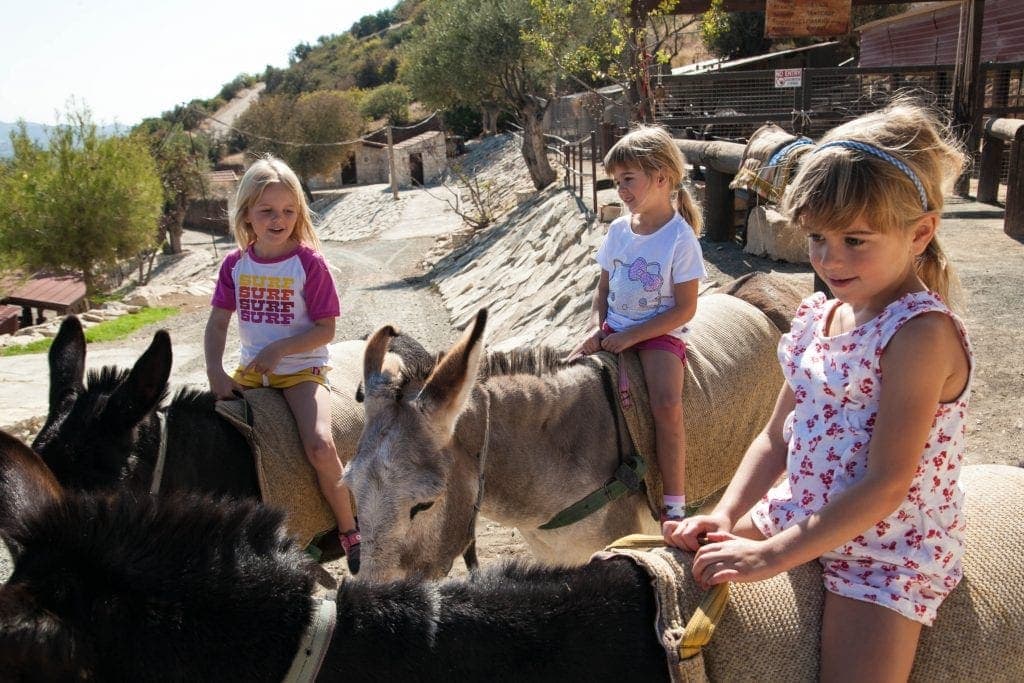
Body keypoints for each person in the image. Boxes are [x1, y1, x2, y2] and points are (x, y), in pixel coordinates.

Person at [665, 100, 973, 680]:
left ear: (921, 233)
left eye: (856, 240)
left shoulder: (919, 335)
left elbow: (886, 484)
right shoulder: (816, 316)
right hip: (800, 508)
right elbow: (776, 437)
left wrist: (769, 556)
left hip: (884, 547)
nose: (830, 259)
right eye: (817, 238)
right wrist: (728, 516)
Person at [204, 156, 361, 574]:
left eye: (289, 211)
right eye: (267, 211)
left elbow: (326, 329)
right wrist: (215, 373)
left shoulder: (309, 264)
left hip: (301, 371)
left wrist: (282, 350)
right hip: (251, 374)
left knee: (318, 444)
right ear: (247, 215)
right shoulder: (235, 265)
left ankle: (348, 529)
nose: (279, 219)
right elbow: (218, 321)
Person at [568, 125, 707, 532]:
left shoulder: (680, 240)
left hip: (659, 333)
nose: (621, 190)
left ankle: (675, 503)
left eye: (628, 179)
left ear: (661, 177)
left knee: (666, 405)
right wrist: (600, 329)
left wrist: (633, 336)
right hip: (615, 325)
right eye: (616, 181)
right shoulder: (617, 231)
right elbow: (604, 288)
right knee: (567, 376)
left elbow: (685, 309)